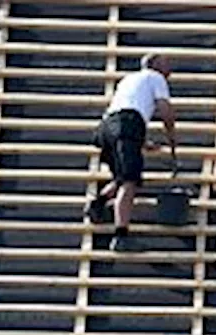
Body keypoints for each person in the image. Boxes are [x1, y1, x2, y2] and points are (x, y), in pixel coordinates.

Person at [87, 52, 177, 252]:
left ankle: (98, 203)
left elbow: (125, 111)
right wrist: (172, 138)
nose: (170, 69)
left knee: (123, 177)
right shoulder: (156, 77)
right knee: (130, 182)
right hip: (126, 126)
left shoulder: (129, 79)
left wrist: (142, 142)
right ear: (155, 65)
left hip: (105, 128)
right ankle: (121, 236)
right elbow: (165, 110)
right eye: (166, 63)